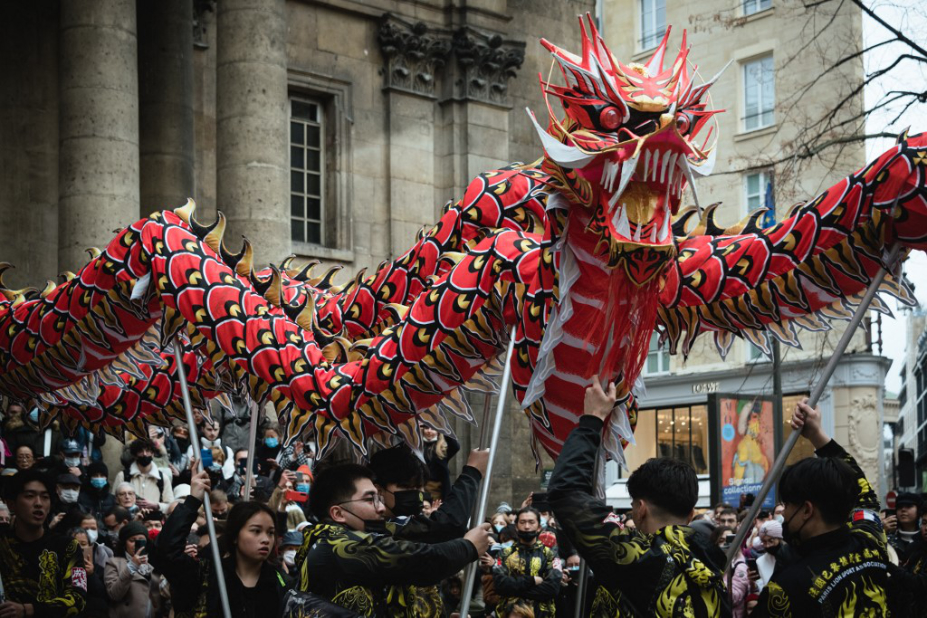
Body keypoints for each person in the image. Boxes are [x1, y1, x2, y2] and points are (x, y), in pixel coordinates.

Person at [548, 379, 727, 617]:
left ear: (640, 509)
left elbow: (565, 491)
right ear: (691, 514)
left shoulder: (638, 556)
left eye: (633, 506)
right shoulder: (711, 564)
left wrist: (592, 419)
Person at [296, 462, 492, 616]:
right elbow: (423, 560)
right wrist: (469, 546)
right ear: (338, 513)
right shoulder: (338, 544)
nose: (380, 508)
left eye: (379, 499)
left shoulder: (329, 539)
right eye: (369, 499)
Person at [752, 399, 890, 616]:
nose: (784, 512)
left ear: (806, 510)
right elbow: (863, 493)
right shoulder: (870, 541)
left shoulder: (786, 588)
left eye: (787, 504)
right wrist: (817, 434)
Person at [154, 465, 290, 617]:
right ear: (234, 537)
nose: (265, 539)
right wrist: (192, 502)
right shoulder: (205, 575)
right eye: (256, 531)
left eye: (270, 533)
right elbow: (166, 552)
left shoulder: (281, 583)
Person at [0, 468, 87, 616]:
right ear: (11, 504)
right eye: (29, 496)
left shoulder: (69, 547)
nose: (38, 503)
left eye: (45, 497)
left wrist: (28, 610)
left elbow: (78, 598)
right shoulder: (3, 542)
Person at [491, 506, 561, 618]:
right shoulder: (504, 553)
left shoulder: (549, 554)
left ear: (539, 527)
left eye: (531, 522)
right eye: (522, 522)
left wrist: (514, 589)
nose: (527, 526)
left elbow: (552, 588)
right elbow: (499, 585)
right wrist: (531, 580)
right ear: (516, 527)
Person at [104, 521, 162, 618]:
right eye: (132, 540)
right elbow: (114, 594)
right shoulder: (114, 563)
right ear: (124, 543)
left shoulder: (154, 562)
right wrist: (132, 566)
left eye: (141, 540)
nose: (136, 544)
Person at [114, 438, 174, 511]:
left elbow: (171, 506)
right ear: (135, 455)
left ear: (152, 454)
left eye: (148, 451)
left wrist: (156, 505)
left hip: (154, 520)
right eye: (141, 451)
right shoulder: (122, 476)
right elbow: (114, 502)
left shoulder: (163, 478)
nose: (145, 454)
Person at [67, 526, 109, 618]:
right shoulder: (61, 568)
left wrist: (91, 574)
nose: (80, 548)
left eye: (83, 544)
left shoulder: (99, 568)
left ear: (90, 546)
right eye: (75, 544)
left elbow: (102, 595)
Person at [888, 492, 922, 564]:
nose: (903, 510)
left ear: (918, 510)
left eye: (908, 506)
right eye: (899, 507)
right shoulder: (888, 540)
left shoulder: (924, 540)